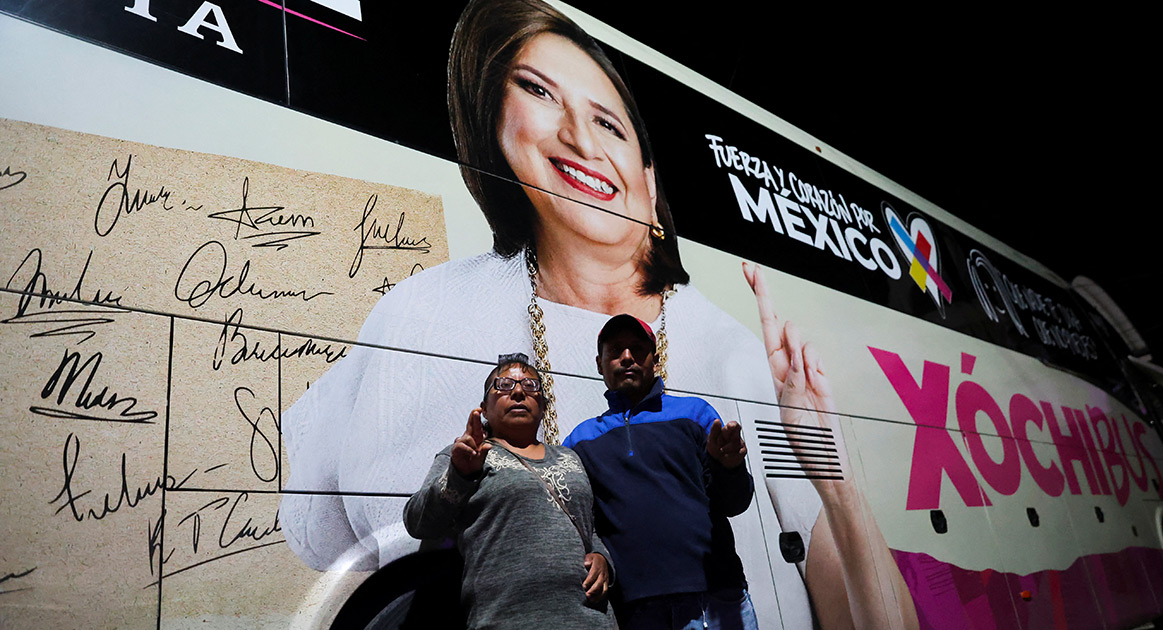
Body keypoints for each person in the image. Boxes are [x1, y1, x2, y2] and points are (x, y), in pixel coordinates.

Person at [280, 0, 918, 628]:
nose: (581, 139)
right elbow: (337, 541)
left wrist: (833, 479)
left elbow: (865, 610)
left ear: (649, 177)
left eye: (609, 124)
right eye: (538, 91)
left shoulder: (736, 354)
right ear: (495, 126)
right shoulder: (423, 315)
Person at [564, 315, 757, 629]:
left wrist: (730, 468)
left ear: (655, 359)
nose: (627, 357)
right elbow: (576, 520)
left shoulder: (696, 414)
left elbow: (733, 503)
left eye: (638, 349)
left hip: (714, 599)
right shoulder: (579, 441)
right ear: (599, 364)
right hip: (636, 611)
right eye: (616, 350)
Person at [403, 353, 615, 630]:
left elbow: (590, 527)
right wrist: (460, 475)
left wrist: (603, 560)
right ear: (484, 407)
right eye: (503, 385)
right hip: (506, 619)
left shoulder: (569, 457)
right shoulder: (465, 454)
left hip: (590, 618)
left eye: (530, 386)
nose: (517, 392)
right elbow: (419, 523)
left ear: (543, 406)